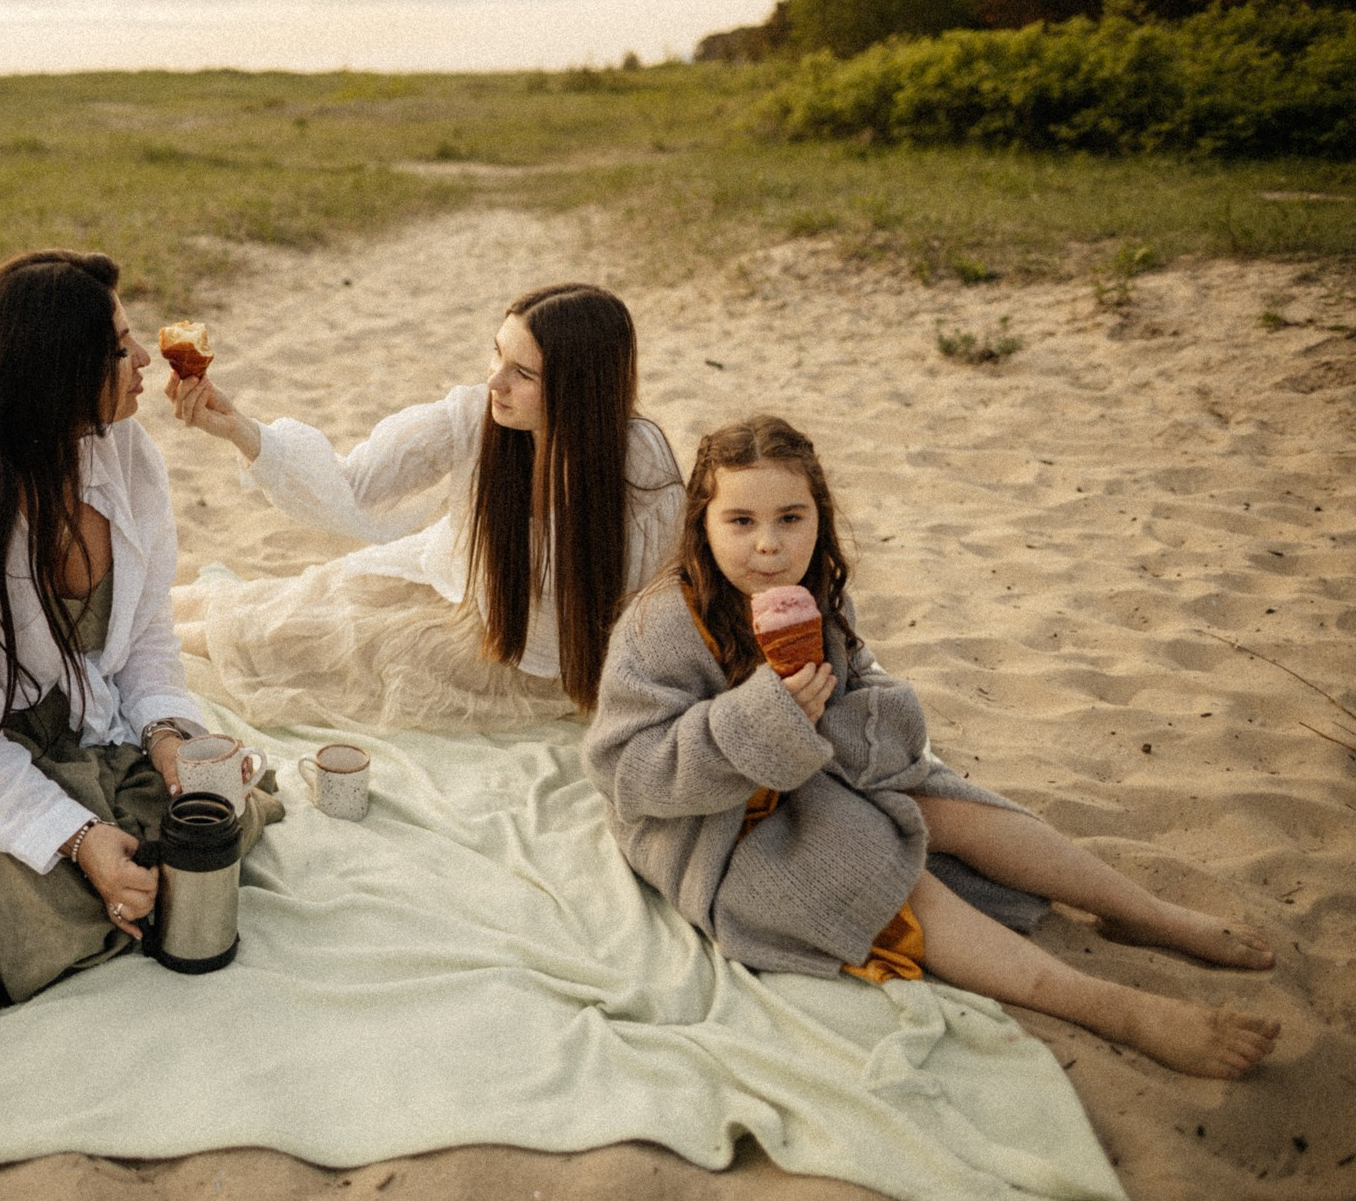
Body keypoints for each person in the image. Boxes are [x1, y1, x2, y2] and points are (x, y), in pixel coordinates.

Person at [584, 414, 1281, 1079]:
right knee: (884, 867)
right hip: (712, 828)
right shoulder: (659, 626)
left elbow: (858, 688)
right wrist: (758, 719)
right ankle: (1115, 1009)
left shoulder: (816, 596)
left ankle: (1146, 915)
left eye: (790, 518)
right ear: (702, 524)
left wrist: (847, 710)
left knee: (955, 807)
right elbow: (626, 772)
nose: (768, 545)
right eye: (741, 521)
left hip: (815, 775)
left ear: (819, 518)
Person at [0, 250, 279, 1038]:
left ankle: (25, 933)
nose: (143, 362)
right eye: (119, 349)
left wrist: (168, 736)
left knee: (209, 828)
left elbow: (144, 637)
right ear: (54, 378)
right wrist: (79, 837)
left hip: (75, 724)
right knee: (48, 902)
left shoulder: (123, 451)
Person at [167, 282, 684, 731]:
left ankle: (139, 650)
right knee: (283, 600)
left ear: (579, 389)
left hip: (524, 659)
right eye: (497, 354)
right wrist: (237, 428)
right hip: (443, 579)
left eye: (523, 373)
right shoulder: (473, 416)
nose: (495, 381)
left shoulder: (638, 465)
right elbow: (354, 485)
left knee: (304, 642)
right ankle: (134, 622)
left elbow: (655, 605)